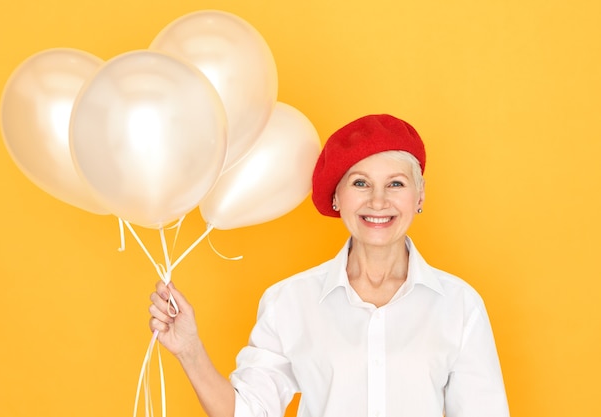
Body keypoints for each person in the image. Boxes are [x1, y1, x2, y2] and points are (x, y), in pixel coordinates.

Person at [149, 114, 510, 417]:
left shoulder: (460, 305)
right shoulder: (289, 301)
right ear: (337, 197)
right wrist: (190, 350)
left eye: (396, 183)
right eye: (360, 183)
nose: (378, 200)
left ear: (420, 196)